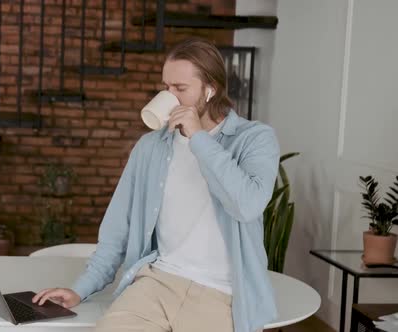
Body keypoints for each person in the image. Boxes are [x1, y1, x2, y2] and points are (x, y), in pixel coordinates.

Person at [32, 37, 279, 332]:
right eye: (166, 87)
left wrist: (198, 139)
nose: (170, 96)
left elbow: (247, 205)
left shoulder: (255, 138)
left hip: (222, 295)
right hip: (156, 283)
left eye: (181, 89)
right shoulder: (150, 147)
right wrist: (80, 289)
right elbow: (116, 230)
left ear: (210, 90)